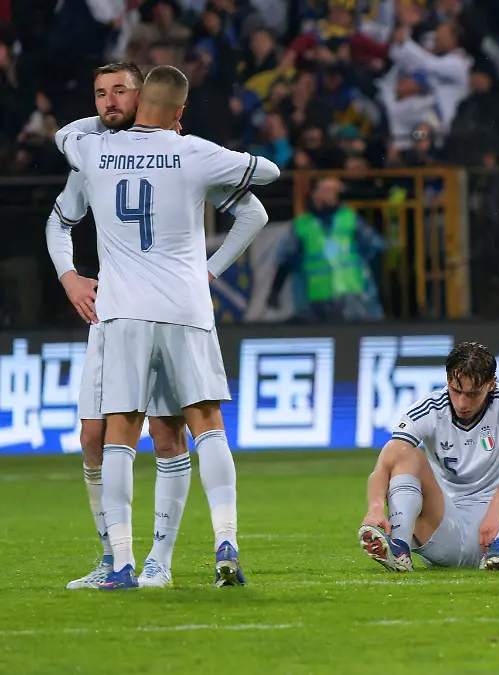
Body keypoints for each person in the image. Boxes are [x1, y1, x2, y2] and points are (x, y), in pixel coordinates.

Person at [55, 65, 281, 590]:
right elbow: (268, 174)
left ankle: (122, 564)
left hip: (124, 313)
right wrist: (211, 267)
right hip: (186, 308)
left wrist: (102, 122)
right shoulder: (193, 152)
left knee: (120, 434)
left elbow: (66, 134)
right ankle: (226, 539)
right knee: (205, 424)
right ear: (180, 111)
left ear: (138, 102)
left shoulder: (94, 150)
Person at [358, 341, 499, 572]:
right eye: (456, 391)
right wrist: (375, 507)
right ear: (448, 381)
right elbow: (385, 463)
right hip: (449, 531)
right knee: (407, 456)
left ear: (491, 384)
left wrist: (498, 505)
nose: (462, 403)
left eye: (473, 394)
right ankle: (399, 549)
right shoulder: (429, 409)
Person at [266, 176, 385, 322]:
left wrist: (377, 288)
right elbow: (285, 260)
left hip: (351, 295)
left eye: (336, 190)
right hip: (314, 299)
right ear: (314, 193)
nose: (333, 194)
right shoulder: (302, 225)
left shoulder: (350, 218)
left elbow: (374, 250)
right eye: (327, 190)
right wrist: (275, 291)